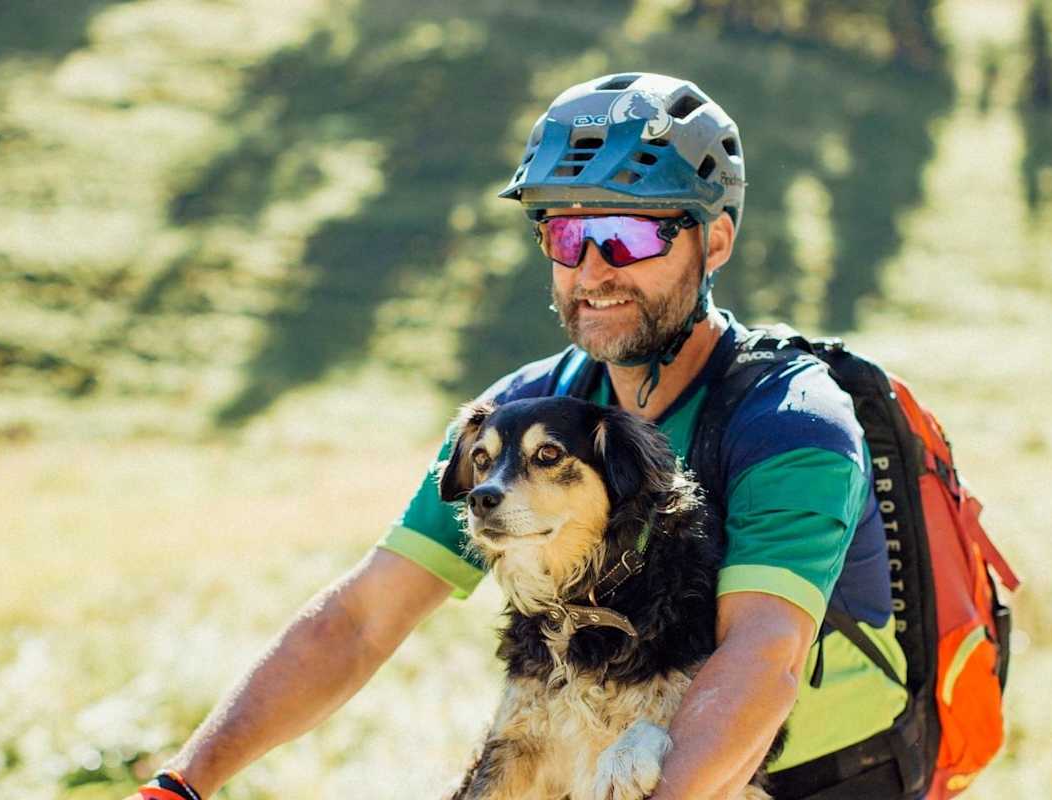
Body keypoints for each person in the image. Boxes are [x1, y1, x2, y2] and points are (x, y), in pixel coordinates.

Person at [131, 73, 907, 800]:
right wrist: (184, 782)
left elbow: (760, 662)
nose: (594, 272)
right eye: (567, 237)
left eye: (631, 234)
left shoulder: (791, 420)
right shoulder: (522, 413)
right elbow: (361, 621)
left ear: (718, 241)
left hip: (816, 777)